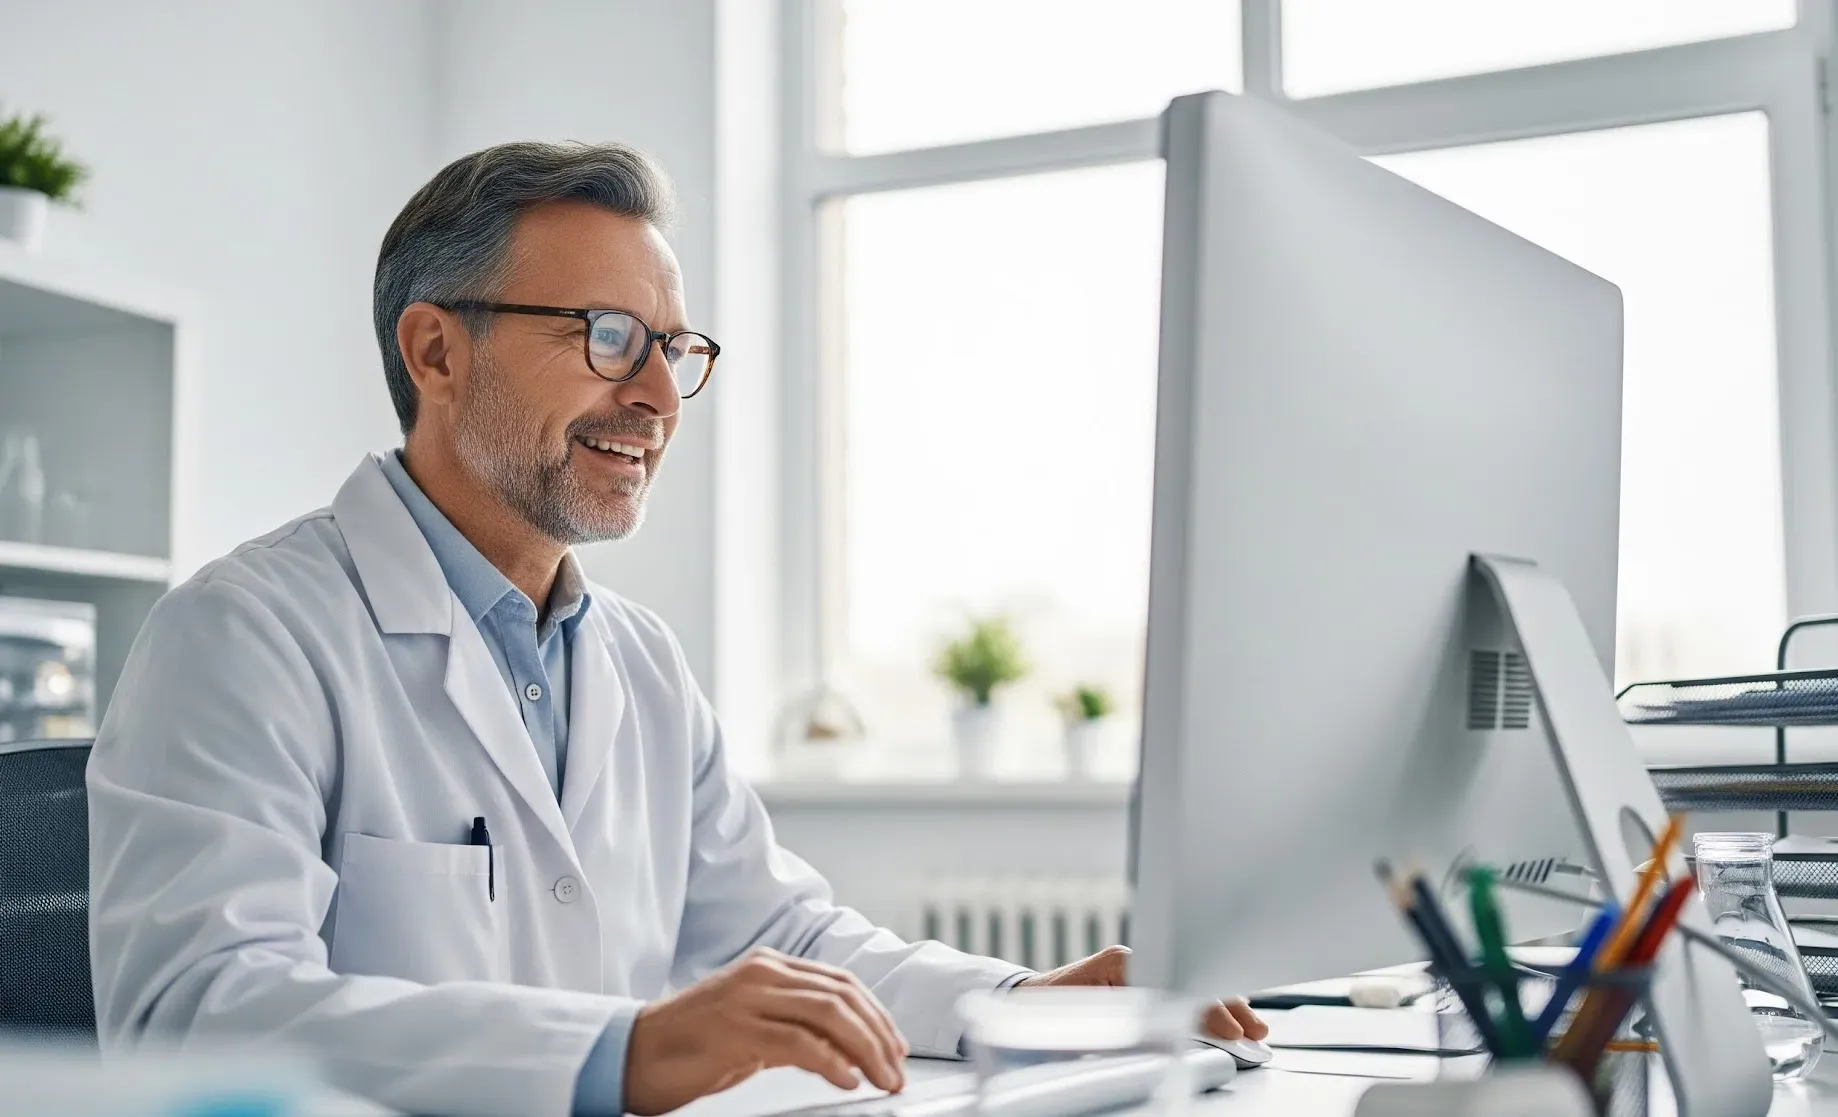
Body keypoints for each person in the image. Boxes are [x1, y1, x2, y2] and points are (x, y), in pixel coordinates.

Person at [86, 142, 1265, 1117]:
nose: (656, 396)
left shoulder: (635, 657)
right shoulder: (245, 634)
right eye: (606, 336)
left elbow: (779, 928)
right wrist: (622, 1052)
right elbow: (197, 1013)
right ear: (436, 350)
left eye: (674, 348)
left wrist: (1015, 997)